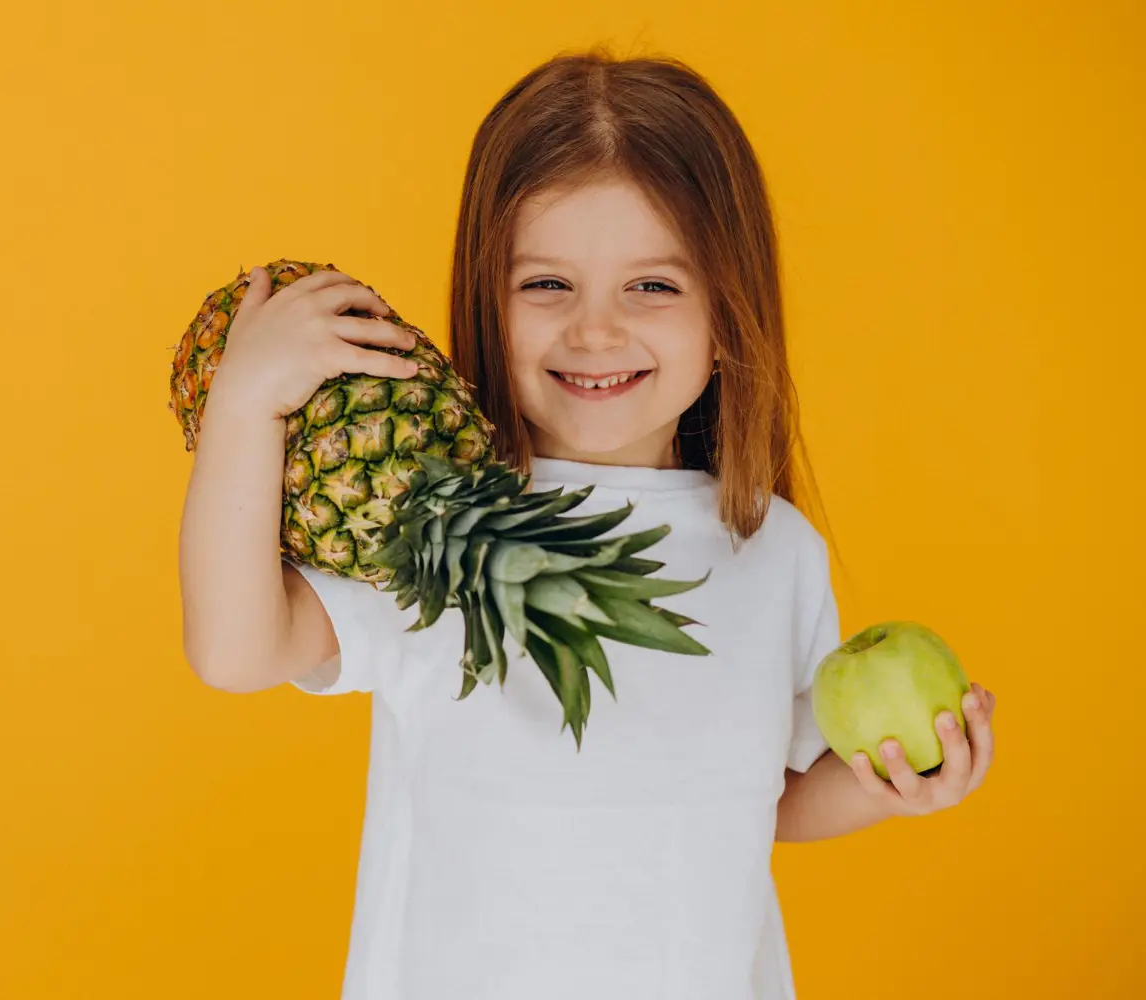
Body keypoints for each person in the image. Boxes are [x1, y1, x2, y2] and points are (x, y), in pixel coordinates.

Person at [177, 50, 998, 1000]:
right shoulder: (441, 526)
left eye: (652, 286)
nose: (595, 331)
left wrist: (894, 780)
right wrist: (244, 411)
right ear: (489, 298)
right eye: (546, 286)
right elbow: (235, 652)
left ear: (729, 312)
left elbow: (760, 800)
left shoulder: (773, 551)